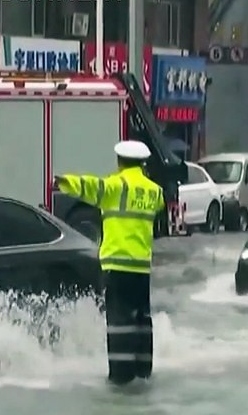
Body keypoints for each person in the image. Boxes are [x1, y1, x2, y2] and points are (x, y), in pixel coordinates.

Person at [54, 140, 165, 386]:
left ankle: (120, 379)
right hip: (141, 266)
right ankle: (143, 372)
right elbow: (159, 208)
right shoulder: (154, 191)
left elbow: (89, 186)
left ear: (120, 161)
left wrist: (63, 182)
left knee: (119, 321)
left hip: (117, 266)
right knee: (141, 319)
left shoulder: (115, 186)